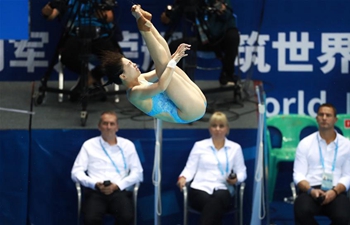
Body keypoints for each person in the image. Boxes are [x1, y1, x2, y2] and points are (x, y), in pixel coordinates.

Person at [101, 5, 207, 124]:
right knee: (165, 66)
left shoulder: (140, 78)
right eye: (130, 64)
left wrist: (172, 59)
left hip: (194, 101)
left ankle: (148, 25)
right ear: (123, 76)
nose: (134, 64)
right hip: (189, 112)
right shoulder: (134, 94)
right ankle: (143, 28)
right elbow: (161, 86)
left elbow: (160, 69)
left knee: (165, 63)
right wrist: (174, 60)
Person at [41, 0, 123, 101]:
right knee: (66, 57)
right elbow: (50, 16)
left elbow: (109, 17)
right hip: (77, 34)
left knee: (116, 60)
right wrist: (51, 5)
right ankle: (91, 80)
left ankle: (89, 79)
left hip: (101, 35)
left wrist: (102, 12)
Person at [71, 110, 143, 225]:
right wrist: (94, 183)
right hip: (96, 191)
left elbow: (138, 173)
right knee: (90, 219)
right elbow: (76, 172)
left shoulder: (128, 145)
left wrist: (118, 185)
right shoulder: (89, 145)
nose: (108, 127)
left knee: (126, 217)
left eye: (112, 124)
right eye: (105, 123)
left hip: (119, 191)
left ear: (117, 127)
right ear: (99, 126)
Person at [177, 111, 247, 225]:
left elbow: (242, 172)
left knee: (217, 201)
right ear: (209, 129)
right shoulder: (199, 146)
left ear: (227, 129)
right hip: (200, 188)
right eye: (214, 126)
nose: (218, 129)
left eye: (221, 126)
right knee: (213, 206)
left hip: (224, 188)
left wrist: (236, 179)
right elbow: (189, 168)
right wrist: (183, 177)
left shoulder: (235, 148)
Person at [293, 103, 350, 225]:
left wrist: (334, 192)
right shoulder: (305, 143)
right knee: (301, 210)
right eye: (321, 114)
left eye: (328, 115)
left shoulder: (347, 145)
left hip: (336, 191)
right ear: (317, 118)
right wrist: (310, 191)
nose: (324, 118)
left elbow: (347, 175)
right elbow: (298, 175)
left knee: (344, 215)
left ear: (335, 119)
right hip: (311, 190)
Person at [160, 0, 240, 86]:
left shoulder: (219, 2)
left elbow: (228, 16)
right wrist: (168, 13)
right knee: (174, 46)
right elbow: (166, 20)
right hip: (202, 40)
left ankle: (227, 75)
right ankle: (177, 82)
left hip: (221, 40)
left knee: (233, 36)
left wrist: (220, 8)